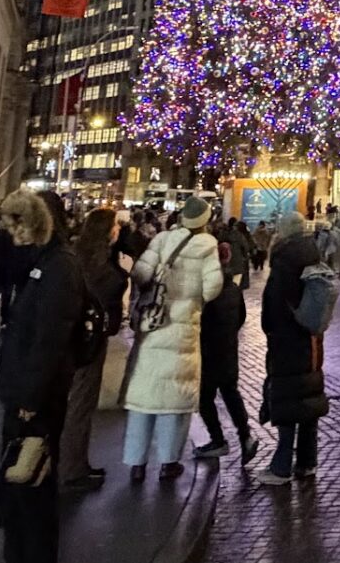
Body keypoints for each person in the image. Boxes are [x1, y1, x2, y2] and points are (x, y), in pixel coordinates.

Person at [0, 188, 82, 563]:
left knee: (32, 484)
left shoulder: (59, 265)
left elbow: (50, 337)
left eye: (22, 222)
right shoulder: (42, 261)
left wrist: (30, 396)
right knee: (20, 485)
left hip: (36, 400)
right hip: (26, 393)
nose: (17, 232)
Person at [118, 199, 224, 484]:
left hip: (153, 325)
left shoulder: (162, 239)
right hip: (182, 328)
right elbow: (213, 288)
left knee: (143, 399)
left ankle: (136, 463)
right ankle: (168, 462)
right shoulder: (206, 245)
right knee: (174, 402)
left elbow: (140, 273)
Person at [56, 208, 127, 490]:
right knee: (81, 404)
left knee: (76, 403)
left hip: (74, 339)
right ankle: (71, 469)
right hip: (88, 342)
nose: (119, 231)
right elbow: (106, 297)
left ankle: (75, 462)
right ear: (108, 231)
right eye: (116, 227)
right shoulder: (102, 268)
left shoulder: (76, 254)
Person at [258, 212, 331, 485]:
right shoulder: (314, 255)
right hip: (312, 340)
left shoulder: (284, 262)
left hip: (287, 340)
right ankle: (308, 462)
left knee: (287, 399)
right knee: (309, 396)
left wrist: (271, 330)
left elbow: (272, 308)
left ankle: (281, 466)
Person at [194, 215, 257, 465]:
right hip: (228, 350)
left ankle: (218, 440)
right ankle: (246, 437)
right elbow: (240, 318)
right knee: (231, 393)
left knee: (205, 398)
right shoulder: (232, 288)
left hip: (208, 351)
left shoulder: (209, 290)